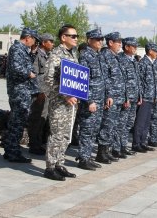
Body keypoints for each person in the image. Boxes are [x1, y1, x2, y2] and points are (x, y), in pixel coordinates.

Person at [42, 25, 79, 181]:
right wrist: (65, 95)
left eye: (77, 36)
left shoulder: (73, 55)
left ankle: (59, 163)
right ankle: (50, 167)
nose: (76, 39)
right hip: (59, 102)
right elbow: (48, 81)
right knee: (57, 134)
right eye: (73, 36)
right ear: (63, 37)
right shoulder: (56, 55)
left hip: (71, 104)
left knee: (66, 135)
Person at [3, 27, 38, 163]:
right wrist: (29, 74)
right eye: (34, 39)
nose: (34, 43)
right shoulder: (17, 49)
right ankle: (13, 153)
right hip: (19, 91)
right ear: (28, 37)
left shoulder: (23, 50)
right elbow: (16, 68)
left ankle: (10, 150)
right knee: (17, 122)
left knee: (17, 122)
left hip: (23, 90)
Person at [76, 29, 107, 170]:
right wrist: (89, 101)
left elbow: (103, 79)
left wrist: (106, 97)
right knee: (87, 130)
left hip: (100, 100)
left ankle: (88, 157)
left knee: (94, 130)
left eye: (101, 39)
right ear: (89, 41)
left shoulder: (98, 56)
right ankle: (83, 158)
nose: (100, 42)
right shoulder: (85, 56)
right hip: (90, 101)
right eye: (97, 39)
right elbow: (83, 81)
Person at [97, 32, 125, 162]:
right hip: (111, 97)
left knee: (113, 125)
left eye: (120, 42)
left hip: (118, 97)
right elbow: (105, 78)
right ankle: (101, 153)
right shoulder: (105, 56)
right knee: (107, 125)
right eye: (117, 42)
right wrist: (108, 95)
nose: (120, 44)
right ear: (110, 43)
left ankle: (107, 150)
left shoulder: (116, 57)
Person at [27, 33, 55, 155]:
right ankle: (34, 145)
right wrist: (40, 91)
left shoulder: (49, 56)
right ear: (44, 42)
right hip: (40, 93)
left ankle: (39, 143)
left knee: (43, 119)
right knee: (37, 119)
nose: (53, 44)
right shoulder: (37, 55)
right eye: (51, 41)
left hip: (48, 92)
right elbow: (35, 75)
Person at [114, 37, 140, 156]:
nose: (135, 48)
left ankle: (123, 146)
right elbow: (122, 81)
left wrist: (139, 95)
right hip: (126, 98)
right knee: (120, 124)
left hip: (134, 97)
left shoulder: (134, 60)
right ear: (127, 47)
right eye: (133, 46)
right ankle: (116, 148)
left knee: (129, 123)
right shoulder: (120, 59)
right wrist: (125, 98)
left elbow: (137, 80)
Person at [132, 43, 157, 153]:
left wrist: (155, 95)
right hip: (145, 97)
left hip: (151, 97)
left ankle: (143, 142)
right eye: (155, 51)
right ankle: (136, 143)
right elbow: (140, 82)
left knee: (147, 122)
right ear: (150, 51)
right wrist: (140, 97)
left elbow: (154, 83)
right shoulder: (143, 63)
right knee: (140, 122)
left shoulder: (151, 63)